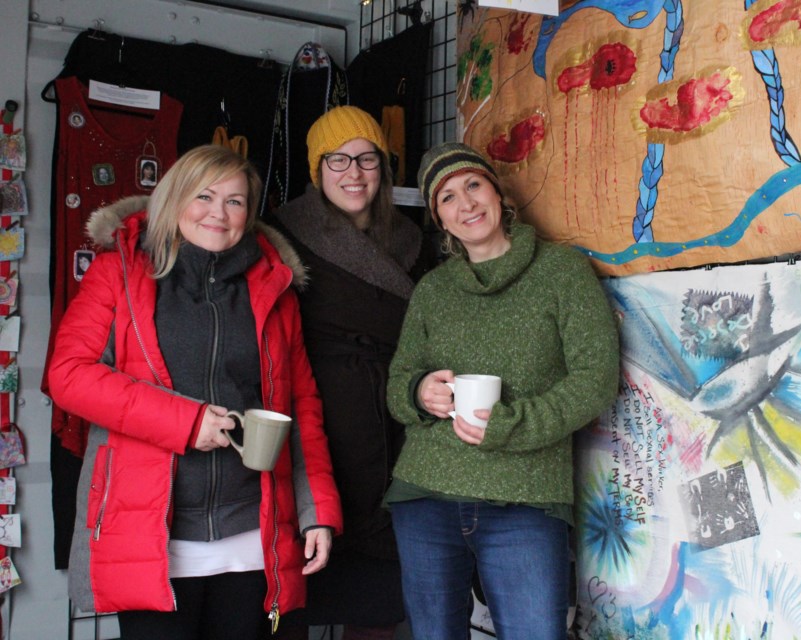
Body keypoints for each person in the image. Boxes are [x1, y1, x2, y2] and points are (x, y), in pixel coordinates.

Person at [46, 144, 343, 640]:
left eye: (235, 201)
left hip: (252, 534)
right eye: (204, 196)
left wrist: (318, 511)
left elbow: (301, 407)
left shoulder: (273, 288)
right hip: (151, 538)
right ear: (174, 197)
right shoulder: (117, 272)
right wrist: (185, 421)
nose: (218, 213)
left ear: (249, 214)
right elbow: (69, 375)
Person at [385, 142, 620, 639]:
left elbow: (596, 380)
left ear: (497, 192)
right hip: (426, 494)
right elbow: (398, 383)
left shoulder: (562, 272)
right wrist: (418, 393)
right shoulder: (433, 290)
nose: (465, 203)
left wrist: (511, 425)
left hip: (526, 499)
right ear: (440, 219)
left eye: (473, 185)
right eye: (447, 198)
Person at [264, 105, 432, 639]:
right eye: (338, 160)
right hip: (319, 423)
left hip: (398, 422)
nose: (353, 173)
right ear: (317, 171)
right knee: (303, 575)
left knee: (382, 591)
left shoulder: (414, 238)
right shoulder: (282, 233)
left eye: (367, 159)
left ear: (384, 168)